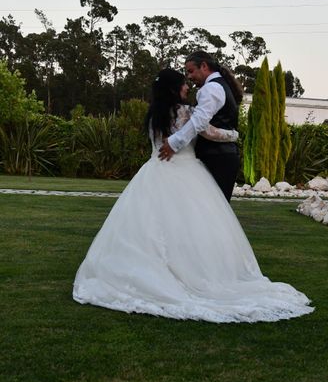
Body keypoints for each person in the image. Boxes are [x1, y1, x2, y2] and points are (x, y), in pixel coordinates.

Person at [72, 68, 314, 323]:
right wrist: (235, 134)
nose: (188, 87)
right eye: (183, 84)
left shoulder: (153, 114)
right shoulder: (185, 112)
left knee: (149, 226)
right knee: (191, 225)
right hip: (186, 170)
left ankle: (151, 270)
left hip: (154, 170)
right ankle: (190, 275)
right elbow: (209, 132)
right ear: (174, 88)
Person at [158, 51, 241, 202]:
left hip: (218, 158)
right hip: (219, 156)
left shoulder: (211, 88)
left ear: (203, 66)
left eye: (191, 71)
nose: (189, 77)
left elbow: (199, 122)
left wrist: (174, 142)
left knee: (214, 209)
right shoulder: (217, 86)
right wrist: (233, 135)